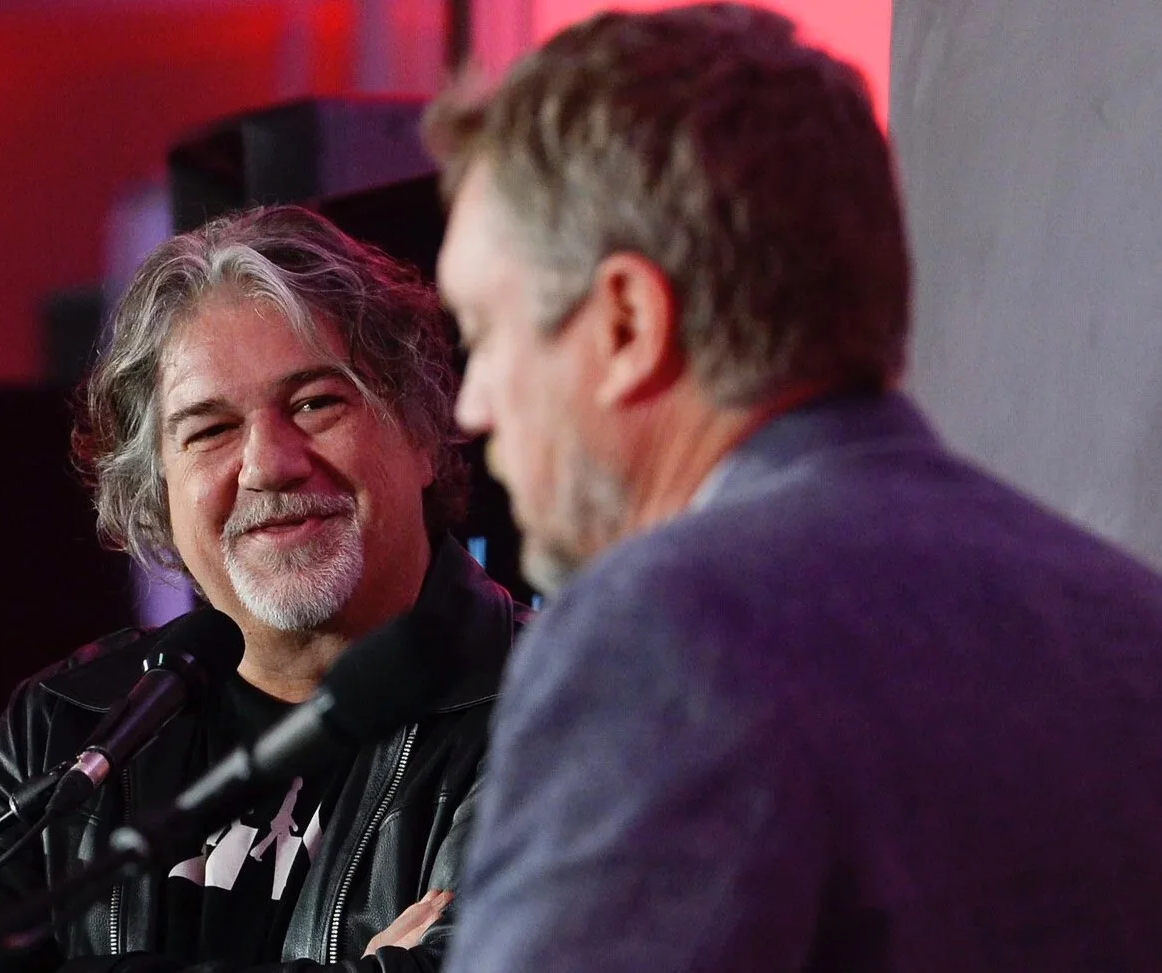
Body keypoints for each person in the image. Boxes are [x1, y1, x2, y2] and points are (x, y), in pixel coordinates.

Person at [425, 4, 1162, 971]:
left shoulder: (660, 635)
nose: (471, 406)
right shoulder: (1131, 621)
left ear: (626, 324)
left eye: (482, 334)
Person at [0, 206, 527, 972]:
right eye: (210, 429)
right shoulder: (62, 727)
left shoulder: (551, 701)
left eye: (315, 403)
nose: (269, 464)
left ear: (419, 430)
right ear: (157, 493)